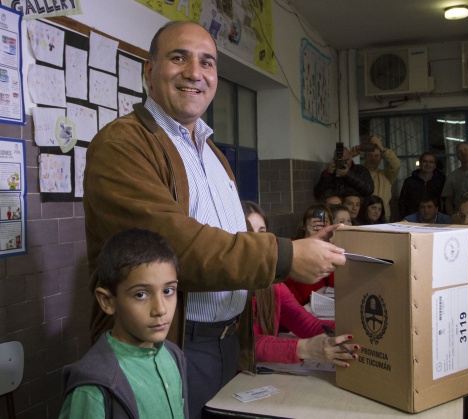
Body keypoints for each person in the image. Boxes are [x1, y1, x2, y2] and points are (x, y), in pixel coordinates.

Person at [83, 21, 346, 419]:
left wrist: (312, 248)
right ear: (149, 71)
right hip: (172, 344)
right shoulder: (123, 144)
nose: (194, 72)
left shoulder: (212, 154)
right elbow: (174, 247)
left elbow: (231, 241)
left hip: (229, 342)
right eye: (178, 57)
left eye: (207, 62)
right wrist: (287, 256)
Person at [59, 229, 188, 418]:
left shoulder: (173, 356)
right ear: (107, 301)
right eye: (141, 294)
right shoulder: (94, 387)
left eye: (168, 291)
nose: (160, 309)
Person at [242, 201, 357, 366]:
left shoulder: (272, 284)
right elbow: (243, 344)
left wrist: (354, 328)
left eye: (262, 233)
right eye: (248, 233)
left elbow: (307, 324)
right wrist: (305, 348)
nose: (257, 242)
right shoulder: (225, 285)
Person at [285, 204, 335, 304]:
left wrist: (327, 244)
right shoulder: (292, 245)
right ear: (304, 226)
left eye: (324, 220)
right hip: (300, 305)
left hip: (321, 302)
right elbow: (288, 279)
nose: (319, 223)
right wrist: (309, 241)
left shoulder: (329, 247)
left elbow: (333, 283)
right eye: (314, 220)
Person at [350, 136, 401, 221]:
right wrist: (350, 155)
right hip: (361, 217)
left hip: (382, 217)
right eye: (370, 155)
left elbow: (396, 165)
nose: (373, 158)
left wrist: (382, 149)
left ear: (381, 158)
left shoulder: (386, 175)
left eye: (376, 156)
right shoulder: (357, 172)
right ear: (365, 157)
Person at [398, 151, 446, 219]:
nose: (428, 164)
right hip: (413, 219)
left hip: (436, 219)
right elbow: (402, 202)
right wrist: (405, 218)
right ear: (420, 163)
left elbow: (446, 201)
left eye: (431, 162)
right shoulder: (409, 182)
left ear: (435, 165)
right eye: (425, 161)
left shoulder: (441, 181)